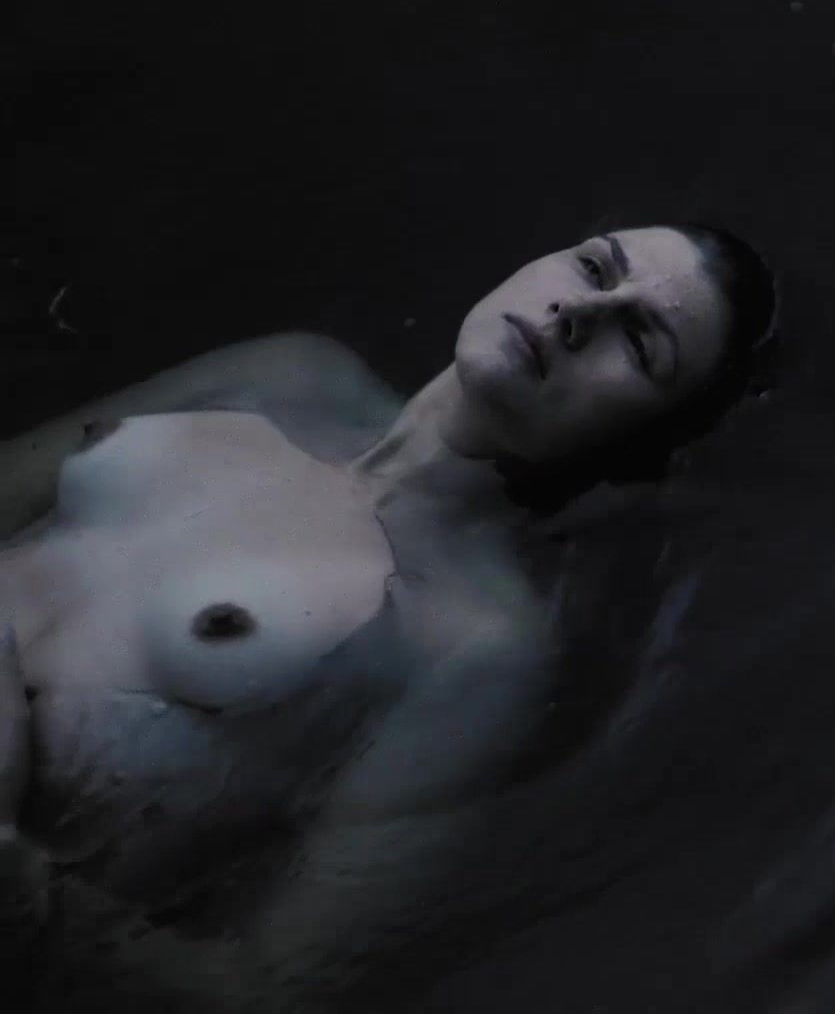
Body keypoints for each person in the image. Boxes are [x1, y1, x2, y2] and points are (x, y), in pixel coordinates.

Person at [0, 223, 777, 1010]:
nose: (577, 312)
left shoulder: (475, 640)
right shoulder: (287, 374)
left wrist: (15, 875)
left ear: (644, 444)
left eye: (638, 342)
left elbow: (271, 989)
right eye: (594, 266)